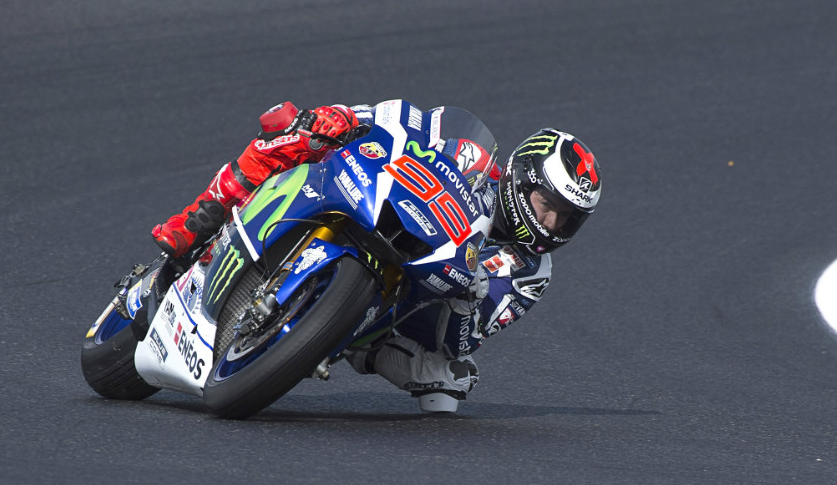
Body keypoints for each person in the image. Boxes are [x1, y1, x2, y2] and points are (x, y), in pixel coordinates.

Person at [151, 101, 602, 413]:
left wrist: (469, 298)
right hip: (385, 212)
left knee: (449, 383)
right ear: (522, 179)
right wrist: (345, 118)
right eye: (548, 206)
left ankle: (327, 336)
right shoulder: (474, 156)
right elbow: (402, 121)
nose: (553, 224)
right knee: (299, 132)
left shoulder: (530, 270)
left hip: (412, 310)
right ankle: (198, 220)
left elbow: (464, 341)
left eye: (568, 220)